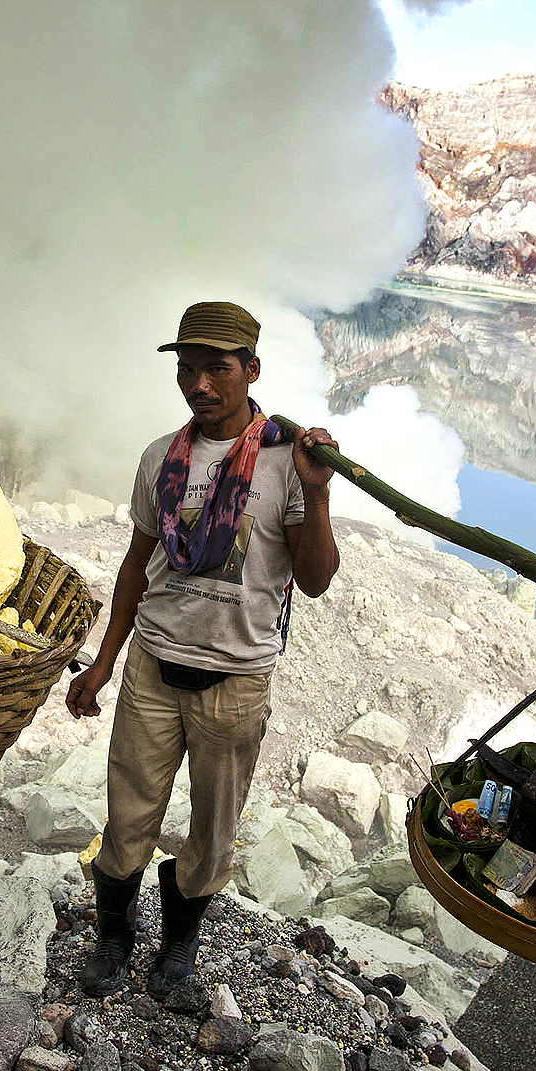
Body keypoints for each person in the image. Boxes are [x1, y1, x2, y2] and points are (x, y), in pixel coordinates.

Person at [64, 301, 340, 1005]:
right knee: (128, 817)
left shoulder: (289, 464)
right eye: (187, 369)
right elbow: (137, 564)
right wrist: (102, 662)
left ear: (251, 370)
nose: (200, 384)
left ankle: (179, 947)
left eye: (217, 368)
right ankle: (113, 938)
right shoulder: (162, 457)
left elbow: (313, 580)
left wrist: (318, 497)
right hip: (153, 669)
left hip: (236, 682)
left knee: (214, 830)